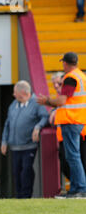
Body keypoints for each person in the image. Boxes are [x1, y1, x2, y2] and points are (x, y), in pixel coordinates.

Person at [36, 52, 86, 198]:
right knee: (74, 156)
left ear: (65, 63)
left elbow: (62, 100)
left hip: (70, 120)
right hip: (78, 120)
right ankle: (76, 188)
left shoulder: (70, 77)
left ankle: (80, 188)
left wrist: (47, 101)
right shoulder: (81, 76)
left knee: (73, 156)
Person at [1, 80, 49, 199]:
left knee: (26, 171)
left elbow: (45, 117)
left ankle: (26, 196)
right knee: (16, 173)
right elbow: (7, 124)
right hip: (15, 147)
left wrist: (38, 127)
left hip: (29, 146)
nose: (13, 95)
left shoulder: (37, 103)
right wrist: (4, 141)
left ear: (23, 92)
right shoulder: (13, 105)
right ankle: (19, 196)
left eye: (15, 92)